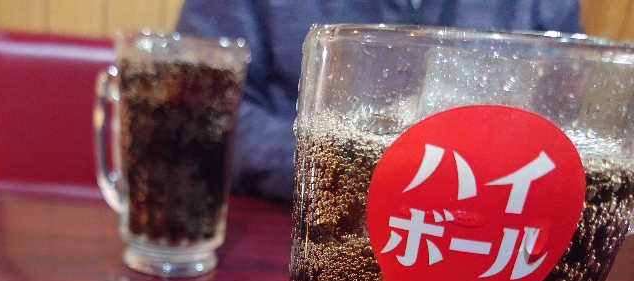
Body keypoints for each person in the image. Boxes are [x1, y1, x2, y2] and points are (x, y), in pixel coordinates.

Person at [176, 0, 583, 201]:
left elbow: (563, 124)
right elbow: (204, 110)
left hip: (482, 243)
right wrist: (377, 172)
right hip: (296, 231)